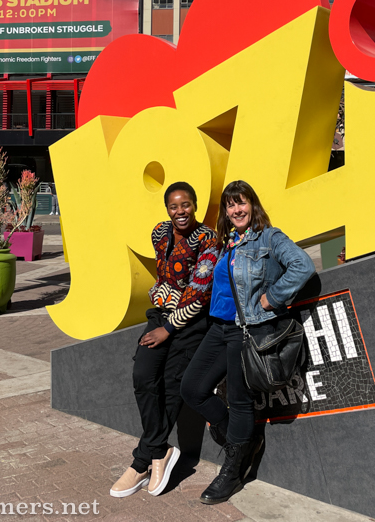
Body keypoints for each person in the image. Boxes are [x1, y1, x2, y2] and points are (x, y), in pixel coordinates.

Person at [180, 180, 316, 505]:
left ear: (253, 205)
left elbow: (303, 265)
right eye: (230, 205)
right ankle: (242, 442)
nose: (236, 210)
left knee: (240, 400)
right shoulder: (229, 241)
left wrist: (274, 297)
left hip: (247, 329)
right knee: (192, 388)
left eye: (242, 203)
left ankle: (233, 470)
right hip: (219, 327)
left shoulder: (269, 237)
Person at [110, 182, 218, 499]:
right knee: (143, 375)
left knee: (171, 386)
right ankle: (160, 451)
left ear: (195, 205)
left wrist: (168, 329)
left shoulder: (209, 239)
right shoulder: (160, 233)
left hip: (191, 324)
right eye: (173, 206)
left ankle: (141, 462)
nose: (180, 211)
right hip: (160, 315)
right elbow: (164, 275)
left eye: (185, 205)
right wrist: (162, 311)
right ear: (167, 209)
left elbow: (199, 294)